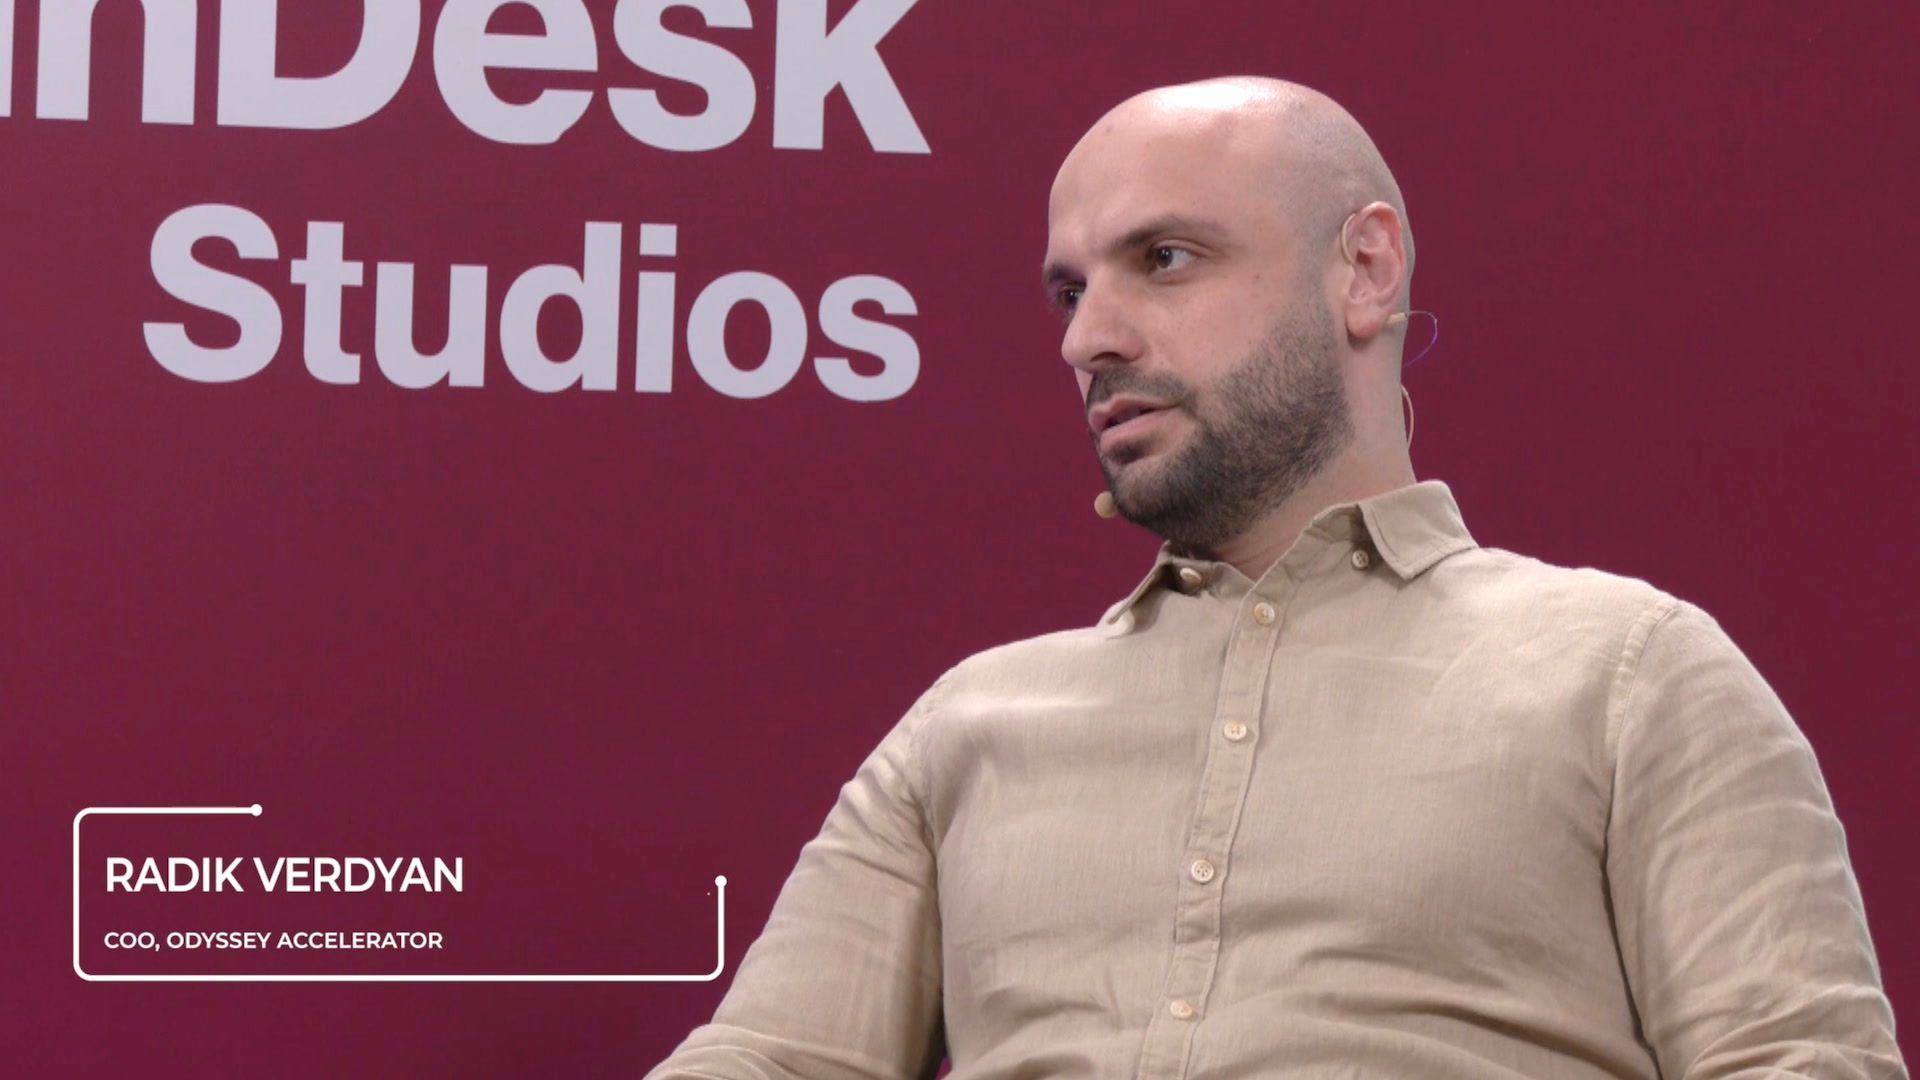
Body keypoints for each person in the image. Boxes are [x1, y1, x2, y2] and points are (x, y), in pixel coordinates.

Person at [647, 77, 1905, 1079]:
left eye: (1165, 259)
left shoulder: (1631, 675)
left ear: (1365, 270)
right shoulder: (968, 726)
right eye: (1070, 290)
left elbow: (1797, 1061)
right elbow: (765, 1059)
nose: (1088, 338)